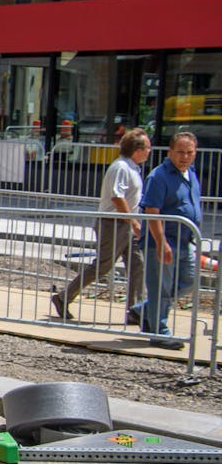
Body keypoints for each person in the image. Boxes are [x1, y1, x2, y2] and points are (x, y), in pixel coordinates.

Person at [51, 128, 150, 323]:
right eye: (147, 147)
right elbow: (116, 197)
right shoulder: (121, 167)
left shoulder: (132, 168)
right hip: (114, 224)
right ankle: (64, 297)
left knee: (138, 265)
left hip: (126, 223)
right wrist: (133, 222)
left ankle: (135, 311)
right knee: (102, 266)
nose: (149, 151)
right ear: (137, 149)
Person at [137, 132, 202, 350]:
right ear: (169, 152)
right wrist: (161, 242)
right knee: (160, 288)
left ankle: (144, 310)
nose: (185, 156)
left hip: (185, 241)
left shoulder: (190, 174)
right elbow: (152, 211)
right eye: (180, 152)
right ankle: (159, 332)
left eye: (189, 152)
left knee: (190, 281)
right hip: (163, 241)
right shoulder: (159, 176)